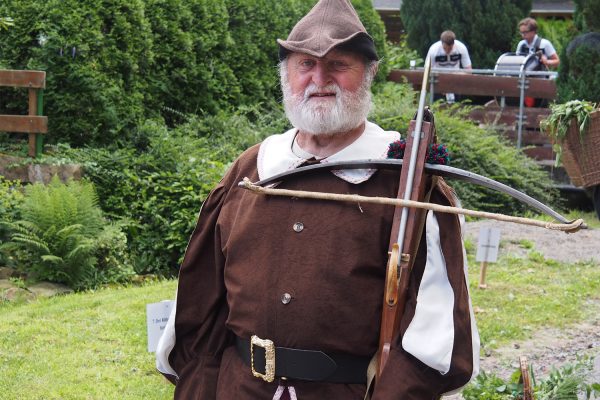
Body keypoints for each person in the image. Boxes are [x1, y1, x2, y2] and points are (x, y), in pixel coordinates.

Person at [156, 1, 479, 399]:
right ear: (286, 74)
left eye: (339, 64)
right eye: (305, 64)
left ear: (369, 73)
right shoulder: (251, 170)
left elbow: (433, 339)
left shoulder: (405, 182)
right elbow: (201, 307)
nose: (319, 79)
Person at [426, 30, 472, 103]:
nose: (447, 51)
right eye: (445, 48)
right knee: (437, 106)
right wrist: (441, 85)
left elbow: (468, 70)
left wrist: (454, 82)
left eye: (450, 48)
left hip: (456, 81)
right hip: (438, 81)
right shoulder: (434, 50)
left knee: (458, 106)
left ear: (454, 43)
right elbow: (427, 71)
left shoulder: (461, 48)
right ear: (441, 43)